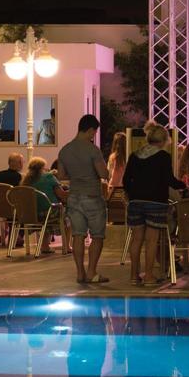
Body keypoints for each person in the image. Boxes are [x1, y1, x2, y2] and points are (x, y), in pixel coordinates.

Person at [122, 121, 185, 286]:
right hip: (156, 202)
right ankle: (149, 275)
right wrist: (184, 185)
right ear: (164, 139)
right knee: (151, 240)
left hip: (136, 202)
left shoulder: (134, 156)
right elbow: (169, 180)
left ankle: (133, 275)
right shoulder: (163, 156)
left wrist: (132, 195)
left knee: (136, 239)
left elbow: (126, 180)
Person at [57, 114, 110, 284]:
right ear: (90, 130)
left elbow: (62, 175)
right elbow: (103, 174)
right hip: (92, 196)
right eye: (93, 133)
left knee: (78, 235)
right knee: (97, 236)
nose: (93, 136)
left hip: (74, 197)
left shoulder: (65, 150)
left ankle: (80, 273)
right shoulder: (92, 150)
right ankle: (91, 272)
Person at [22, 156, 68, 253]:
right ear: (42, 168)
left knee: (47, 212)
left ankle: (45, 246)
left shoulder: (26, 180)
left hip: (32, 215)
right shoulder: (48, 177)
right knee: (71, 214)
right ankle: (67, 246)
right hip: (50, 213)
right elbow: (62, 195)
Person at [107, 132, 127, 197]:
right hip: (125, 190)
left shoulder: (112, 157)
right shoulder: (129, 157)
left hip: (112, 189)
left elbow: (109, 174)